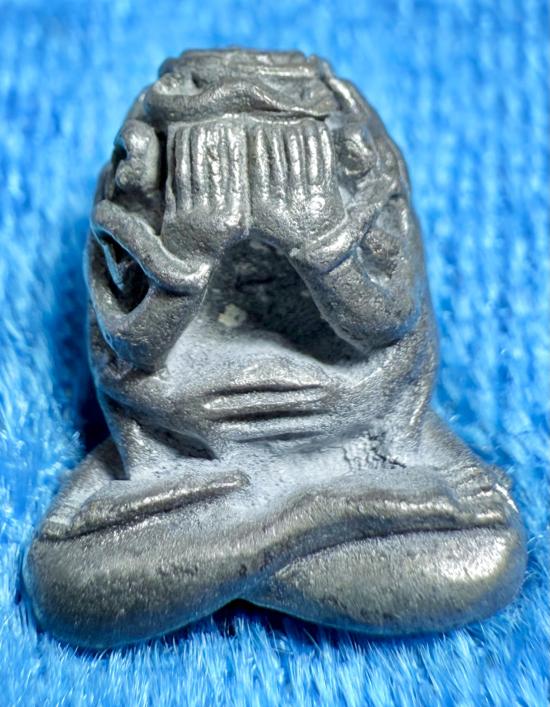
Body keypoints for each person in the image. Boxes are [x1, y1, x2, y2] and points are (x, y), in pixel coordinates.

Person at [23, 50, 525, 649]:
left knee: (488, 556)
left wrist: (319, 240)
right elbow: (131, 346)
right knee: (63, 583)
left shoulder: (364, 174)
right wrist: (188, 251)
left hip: (355, 420)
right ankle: (329, 514)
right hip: (183, 442)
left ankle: (215, 557)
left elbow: (391, 324)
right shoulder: (138, 188)